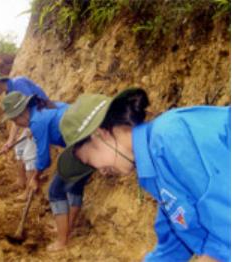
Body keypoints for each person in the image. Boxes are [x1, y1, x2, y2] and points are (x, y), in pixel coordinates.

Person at [57, 88, 231, 261]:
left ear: (99, 135)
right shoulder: (154, 170)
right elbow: (173, 244)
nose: (100, 171)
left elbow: (226, 232)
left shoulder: (170, 138)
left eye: (89, 161)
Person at [1, 92, 91, 252]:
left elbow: (43, 158)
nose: (17, 124)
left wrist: (35, 177)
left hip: (82, 145)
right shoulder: (43, 108)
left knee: (55, 191)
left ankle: (62, 241)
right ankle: (66, 230)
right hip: (90, 139)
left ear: (21, 113)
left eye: (15, 120)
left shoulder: (37, 121)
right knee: (75, 186)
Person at [0, 68, 50, 193]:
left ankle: (29, 192)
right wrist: (10, 140)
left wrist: (33, 128)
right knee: (18, 148)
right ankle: (21, 182)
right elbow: (17, 118)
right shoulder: (9, 92)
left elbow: (32, 107)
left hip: (41, 119)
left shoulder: (18, 84)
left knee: (29, 155)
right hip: (32, 120)